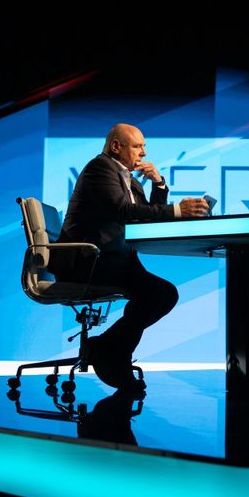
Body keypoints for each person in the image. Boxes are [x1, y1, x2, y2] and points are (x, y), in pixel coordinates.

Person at [52, 123, 208, 391]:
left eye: (144, 147)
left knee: (165, 294)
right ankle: (112, 355)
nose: (144, 153)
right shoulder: (99, 168)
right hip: (88, 263)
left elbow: (147, 216)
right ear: (116, 146)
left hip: (114, 260)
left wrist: (158, 182)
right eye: (138, 146)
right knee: (155, 294)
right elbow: (123, 211)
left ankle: (107, 347)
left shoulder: (130, 179)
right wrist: (178, 210)